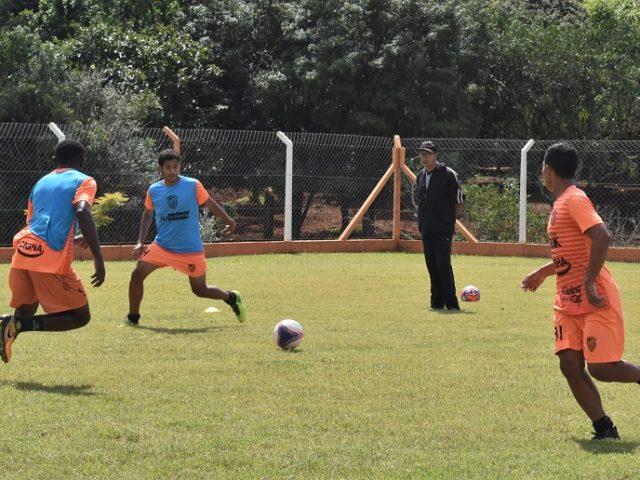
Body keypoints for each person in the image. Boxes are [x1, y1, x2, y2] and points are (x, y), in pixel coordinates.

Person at [521, 142, 640, 440]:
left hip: (593, 297)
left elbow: (602, 237)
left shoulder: (574, 199)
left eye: (542, 169)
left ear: (548, 170)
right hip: (567, 300)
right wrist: (545, 272)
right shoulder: (560, 204)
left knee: (601, 367)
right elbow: (572, 254)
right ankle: (604, 428)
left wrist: (589, 281)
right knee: (570, 364)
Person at [0, 139, 105, 363]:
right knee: (79, 316)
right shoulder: (84, 180)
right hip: (50, 260)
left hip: (23, 251)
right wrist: (98, 257)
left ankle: (13, 325)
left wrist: (73, 239)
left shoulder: (41, 182)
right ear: (81, 160)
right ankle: (15, 324)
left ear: (54, 159)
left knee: (26, 308)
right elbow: (83, 210)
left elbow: (36, 222)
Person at [126, 149, 246, 325]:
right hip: (161, 246)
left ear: (179, 166)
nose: (172, 171)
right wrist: (139, 242)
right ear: (161, 169)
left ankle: (231, 297)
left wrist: (229, 220)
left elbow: (210, 204)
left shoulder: (192, 185)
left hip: (190, 249)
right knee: (137, 275)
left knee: (200, 290)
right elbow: (147, 213)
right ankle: (133, 318)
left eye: (175, 167)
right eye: (168, 168)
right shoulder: (154, 190)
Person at [416, 140, 463, 311]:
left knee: (443, 265)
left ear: (436, 155)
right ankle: (436, 302)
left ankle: (451, 303)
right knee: (431, 266)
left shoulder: (449, 174)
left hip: (443, 229)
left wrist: (451, 220)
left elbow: (458, 201)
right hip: (426, 228)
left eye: (428, 154)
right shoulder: (420, 176)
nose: (424, 157)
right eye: (422, 154)